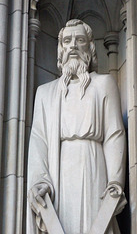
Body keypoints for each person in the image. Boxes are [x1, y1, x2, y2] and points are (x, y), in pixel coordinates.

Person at [27, 19, 126, 234]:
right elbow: (38, 141)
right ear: (60, 50)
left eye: (79, 40)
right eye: (67, 41)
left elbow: (114, 134)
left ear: (90, 48)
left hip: (93, 168)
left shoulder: (104, 84)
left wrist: (115, 183)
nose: (72, 46)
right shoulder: (45, 93)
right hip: (59, 173)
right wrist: (39, 181)